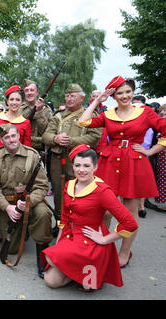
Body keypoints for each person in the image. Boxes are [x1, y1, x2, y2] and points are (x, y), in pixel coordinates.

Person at [78, 76, 166, 267]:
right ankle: (100, 245)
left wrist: (151, 151)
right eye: (120, 93)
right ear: (113, 96)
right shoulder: (108, 114)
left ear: (133, 92)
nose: (125, 96)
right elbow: (83, 122)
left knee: (130, 211)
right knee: (104, 208)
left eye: (128, 92)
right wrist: (97, 100)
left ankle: (124, 252)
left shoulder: (145, 112)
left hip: (134, 162)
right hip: (109, 162)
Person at [42, 145, 138, 290]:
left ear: (95, 167)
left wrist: (105, 239)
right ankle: (76, 272)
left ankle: (85, 272)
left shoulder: (102, 191)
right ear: (72, 167)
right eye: (77, 165)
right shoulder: (69, 185)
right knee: (51, 280)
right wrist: (58, 246)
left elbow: (130, 223)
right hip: (70, 237)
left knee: (87, 285)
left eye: (87, 166)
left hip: (90, 241)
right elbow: (64, 217)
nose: (81, 170)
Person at [0, 123, 53, 278]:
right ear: (2, 140)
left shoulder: (33, 155)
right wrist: (7, 207)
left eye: (13, 136)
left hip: (29, 201)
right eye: (6, 137)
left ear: (18, 136)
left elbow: (42, 186)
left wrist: (29, 201)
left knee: (43, 214)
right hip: (8, 205)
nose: (11, 140)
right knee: (11, 250)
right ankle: (27, 230)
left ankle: (42, 255)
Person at [42, 83, 101, 228]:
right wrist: (55, 139)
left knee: (80, 191)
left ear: (81, 98)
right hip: (58, 159)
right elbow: (46, 135)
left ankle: (78, 225)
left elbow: (94, 137)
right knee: (59, 192)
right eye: (67, 96)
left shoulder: (90, 115)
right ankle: (60, 223)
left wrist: (71, 142)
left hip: (80, 160)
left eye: (73, 96)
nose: (69, 98)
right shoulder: (58, 116)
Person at [0, 84, 32, 152]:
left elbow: (27, 147)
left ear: (22, 102)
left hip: (17, 160)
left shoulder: (26, 122)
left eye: (17, 100)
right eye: (11, 99)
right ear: (7, 101)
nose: (14, 102)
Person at [20, 79, 52, 153]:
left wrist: (39, 111)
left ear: (37, 92)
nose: (29, 93)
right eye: (27, 90)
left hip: (39, 150)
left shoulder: (46, 110)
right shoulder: (19, 109)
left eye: (32, 90)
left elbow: (46, 131)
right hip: (21, 148)